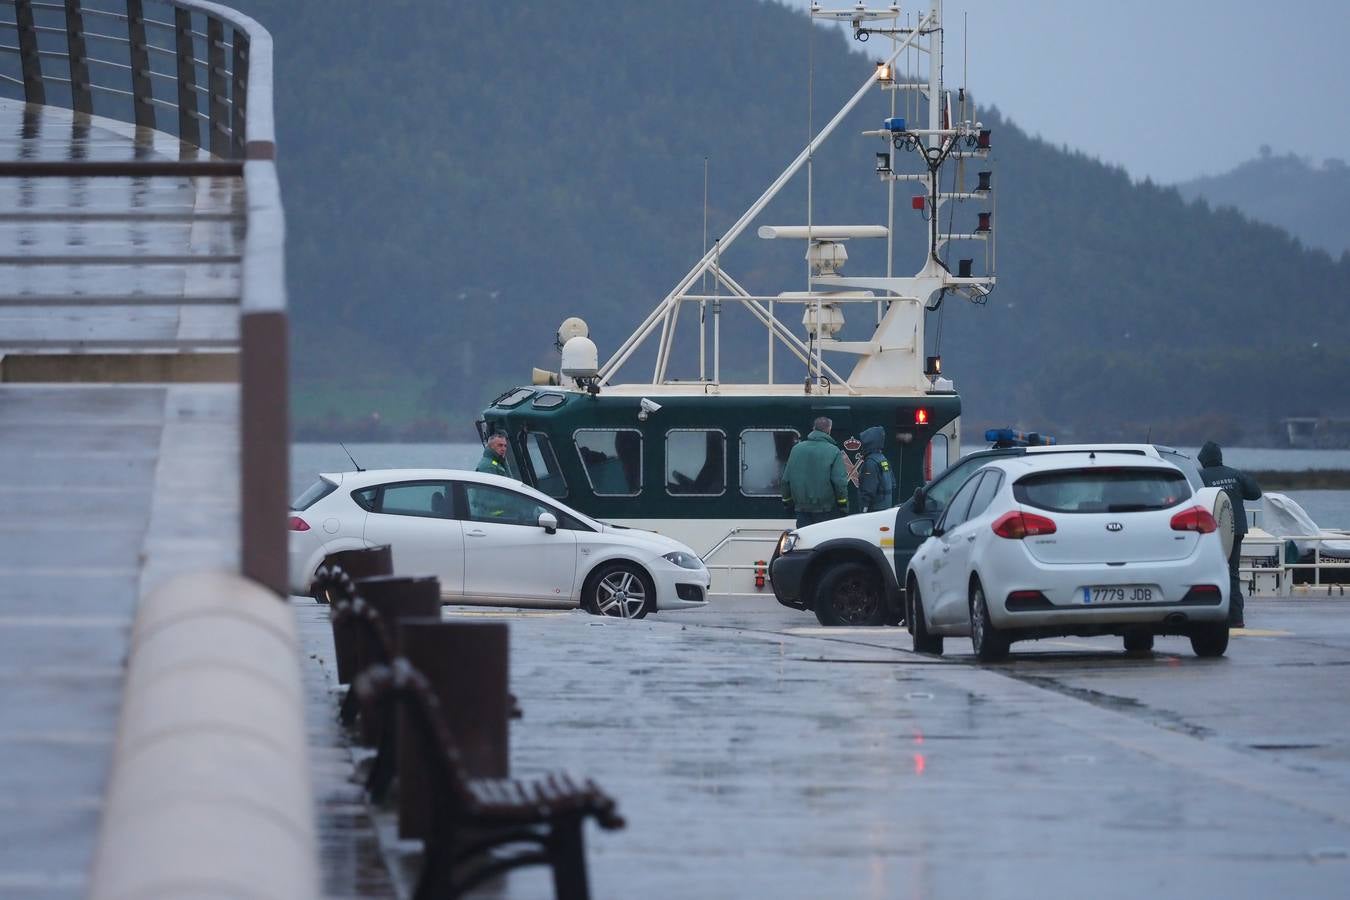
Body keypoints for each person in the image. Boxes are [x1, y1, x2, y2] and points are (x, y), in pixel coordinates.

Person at [1197, 441, 1262, 629]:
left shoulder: (1200, 477)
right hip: (1236, 530)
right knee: (1233, 573)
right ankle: (1236, 618)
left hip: (1211, 532)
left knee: (1208, 574)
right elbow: (1255, 493)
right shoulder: (1235, 474)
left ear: (1203, 460)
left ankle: (1212, 615)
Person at [781, 416, 849, 528]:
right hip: (826, 511)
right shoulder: (833, 451)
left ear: (813, 428)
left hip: (802, 511)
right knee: (824, 542)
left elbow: (785, 480)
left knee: (805, 542)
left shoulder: (796, 449)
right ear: (829, 430)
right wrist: (843, 507)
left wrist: (788, 505)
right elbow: (839, 483)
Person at [857, 425, 895, 513]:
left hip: (874, 509)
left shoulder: (870, 463)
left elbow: (868, 489)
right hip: (885, 508)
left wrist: (864, 509)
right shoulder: (883, 459)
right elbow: (893, 484)